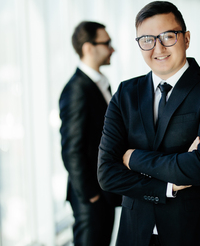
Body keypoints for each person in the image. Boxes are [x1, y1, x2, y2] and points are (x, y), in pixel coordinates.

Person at [97, 1, 200, 246]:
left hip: (195, 232)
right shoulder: (126, 93)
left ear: (186, 39)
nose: (157, 47)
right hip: (135, 233)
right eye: (147, 39)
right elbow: (107, 173)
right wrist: (167, 185)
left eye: (167, 36)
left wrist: (132, 158)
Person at [59, 21, 120, 246]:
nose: (112, 49)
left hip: (103, 191)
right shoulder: (77, 89)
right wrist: (91, 195)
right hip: (90, 197)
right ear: (88, 48)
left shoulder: (98, 83)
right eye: (107, 43)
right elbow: (71, 149)